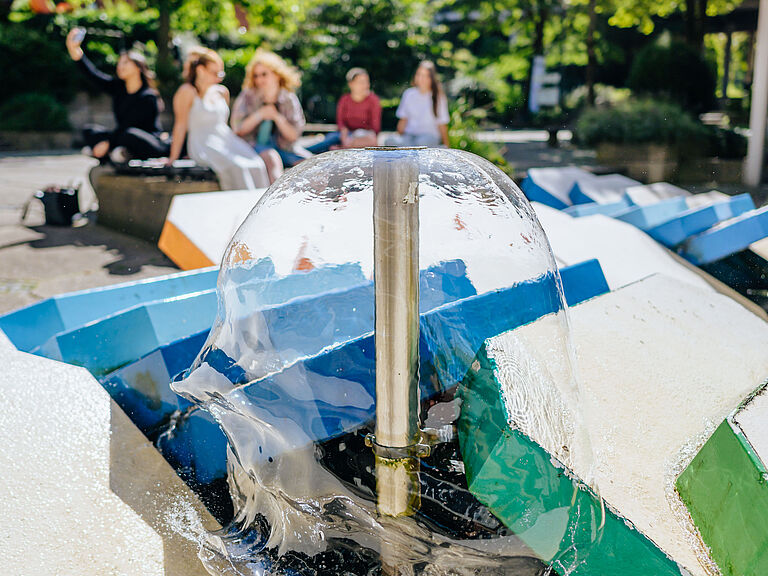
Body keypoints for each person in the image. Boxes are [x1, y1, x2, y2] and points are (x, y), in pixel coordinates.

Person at [167, 47, 270, 190]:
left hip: (226, 140)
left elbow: (224, 123)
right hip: (203, 143)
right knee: (238, 167)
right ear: (200, 70)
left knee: (257, 164)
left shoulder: (222, 92)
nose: (219, 77)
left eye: (220, 73)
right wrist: (173, 158)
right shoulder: (186, 92)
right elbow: (180, 125)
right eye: (214, 72)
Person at [65, 28, 170, 162]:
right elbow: (93, 75)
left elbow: (129, 126)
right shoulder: (118, 88)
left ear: (138, 67)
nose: (120, 66)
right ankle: (119, 153)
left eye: (125, 62)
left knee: (129, 134)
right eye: (119, 63)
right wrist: (74, 50)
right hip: (121, 136)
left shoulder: (148, 96)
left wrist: (108, 142)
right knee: (89, 131)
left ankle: (113, 152)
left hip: (146, 141)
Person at [230, 50, 308, 179]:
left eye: (264, 74)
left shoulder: (288, 98)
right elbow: (238, 130)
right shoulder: (247, 96)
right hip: (253, 147)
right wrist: (260, 115)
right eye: (255, 75)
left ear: (277, 74)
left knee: (311, 165)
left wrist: (277, 117)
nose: (259, 79)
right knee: (272, 158)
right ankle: (279, 198)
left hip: (284, 148)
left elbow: (293, 136)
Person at [307, 67, 381, 153]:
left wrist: (354, 141)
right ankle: (304, 152)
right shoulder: (344, 100)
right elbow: (341, 122)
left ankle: (339, 148)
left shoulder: (373, 100)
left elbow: (375, 127)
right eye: (361, 82)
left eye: (366, 82)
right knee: (330, 139)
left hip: (363, 136)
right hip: (345, 134)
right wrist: (344, 135)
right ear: (351, 84)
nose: (365, 85)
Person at [387, 61, 450, 147]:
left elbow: (442, 124)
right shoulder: (408, 94)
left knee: (421, 144)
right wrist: (397, 138)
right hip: (410, 136)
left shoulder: (438, 97)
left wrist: (447, 146)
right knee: (389, 141)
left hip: (428, 138)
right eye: (419, 74)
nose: (421, 78)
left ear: (431, 78)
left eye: (425, 75)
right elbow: (403, 120)